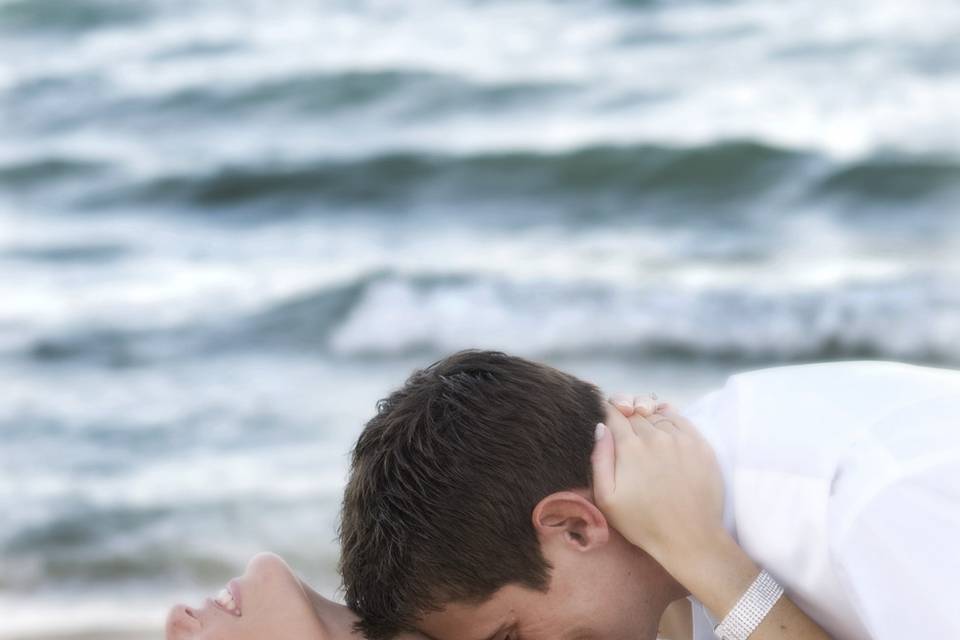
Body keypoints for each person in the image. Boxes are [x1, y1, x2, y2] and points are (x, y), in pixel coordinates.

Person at [339, 350, 960, 640]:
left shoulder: (874, 497)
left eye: (511, 638)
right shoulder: (657, 567)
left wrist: (712, 565)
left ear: (574, 527)